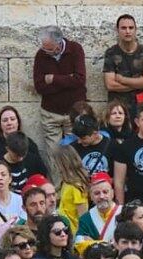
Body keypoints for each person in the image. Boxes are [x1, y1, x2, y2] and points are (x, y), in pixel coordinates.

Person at [33, 27, 88, 160]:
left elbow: (80, 80)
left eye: (49, 49)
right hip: (51, 112)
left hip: (74, 111)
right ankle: (56, 182)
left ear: (58, 44)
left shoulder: (75, 49)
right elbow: (39, 86)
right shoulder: (41, 55)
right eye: (44, 48)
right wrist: (68, 80)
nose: (46, 52)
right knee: (53, 155)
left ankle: (75, 181)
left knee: (76, 153)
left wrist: (53, 79)